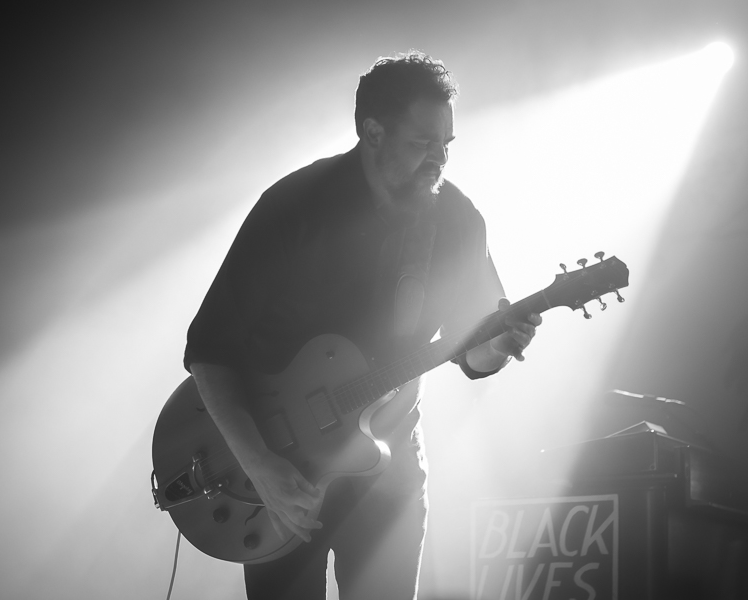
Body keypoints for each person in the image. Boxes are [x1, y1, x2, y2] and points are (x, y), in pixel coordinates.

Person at [184, 51, 541, 599]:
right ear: (373, 132)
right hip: (282, 469)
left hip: (388, 466)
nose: (439, 159)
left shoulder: (457, 220)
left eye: (447, 144)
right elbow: (211, 348)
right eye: (422, 143)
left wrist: (501, 342)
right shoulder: (294, 206)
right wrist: (260, 467)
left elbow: (474, 354)